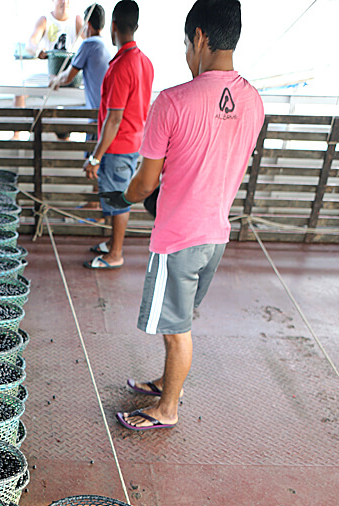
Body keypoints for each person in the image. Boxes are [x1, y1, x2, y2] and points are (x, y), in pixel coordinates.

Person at [104, 0, 264, 432]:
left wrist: (122, 197)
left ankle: (167, 408)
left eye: (186, 44)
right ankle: (164, 384)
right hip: (215, 236)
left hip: (177, 237)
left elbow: (144, 182)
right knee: (179, 320)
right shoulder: (253, 100)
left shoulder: (173, 101)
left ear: (199, 38)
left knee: (176, 330)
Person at [82, 0, 154, 270]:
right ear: (135, 26)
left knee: (119, 199)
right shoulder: (144, 62)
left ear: (113, 26)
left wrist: (95, 157)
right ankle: (112, 244)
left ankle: (116, 254)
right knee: (115, 195)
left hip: (118, 145)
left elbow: (114, 119)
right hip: (135, 141)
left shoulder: (122, 65)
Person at [51, 4, 111, 214]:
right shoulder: (104, 46)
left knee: (93, 159)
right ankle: (96, 202)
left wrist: (54, 80)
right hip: (106, 115)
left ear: (87, 24)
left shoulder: (89, 44)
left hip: (95, 116)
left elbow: (68, 77)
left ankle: (95, 204)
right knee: (99, 160)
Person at [13, 0, 83, 133]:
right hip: (50, 74)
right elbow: (30, 43)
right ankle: (18, 135)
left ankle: (68, 139)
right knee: (20, 92)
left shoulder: (77, 20)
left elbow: (90, 40)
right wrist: (38, 51)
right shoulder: (45, 20)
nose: (64, 2)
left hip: (70, 75)